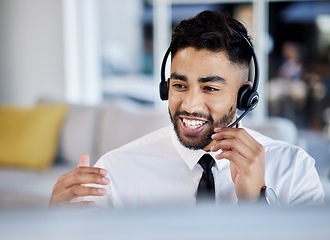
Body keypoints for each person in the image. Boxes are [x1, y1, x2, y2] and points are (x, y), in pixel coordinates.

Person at [49, 11, 324, 208]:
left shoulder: (294, 169)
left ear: (244, 96)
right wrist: (57, 226)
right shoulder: (116, 171)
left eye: (210, 88)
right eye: (180, 85)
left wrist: (257, 202)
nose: (190, 105)